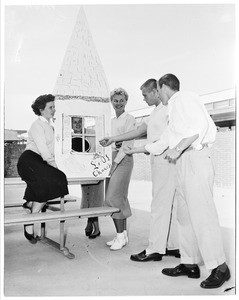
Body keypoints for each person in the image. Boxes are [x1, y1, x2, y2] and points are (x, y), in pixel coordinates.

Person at [125, 73, 230, 289]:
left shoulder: (184, 98)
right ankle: (189, 263)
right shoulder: (172, 109)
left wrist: (178, 148)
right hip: (183, 161)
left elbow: (198, 127)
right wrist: (136, 149)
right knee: (184, 216)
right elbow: (165, 140)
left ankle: (220, 267)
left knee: (202, 214)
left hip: (196, 159)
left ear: (163, 87)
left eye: (156, 90)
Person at [100, 79, 179, 260]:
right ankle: (169, 245)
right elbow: (137, 133)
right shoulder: (155, 113)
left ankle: (156, 249)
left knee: (162, 205)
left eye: (145, 95)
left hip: (166, 160)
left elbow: (163, 141)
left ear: (156, 91)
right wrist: (113, 138)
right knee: (163, 204)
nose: (143, 99)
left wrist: (136, 149)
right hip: (157, 160)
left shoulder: (168, 110)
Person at [17, 94, 69, 244]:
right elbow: (44, 151)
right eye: (50, 107)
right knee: (57, 178)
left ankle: (30, 213)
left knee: (47, 183)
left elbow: (53, 149)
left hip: (38, 162)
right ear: (41, 110)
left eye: (54, 107)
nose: (54, 110)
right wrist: (54, 166)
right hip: (29, 161)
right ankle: (31, 214)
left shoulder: (50, 126)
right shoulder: (37, 125)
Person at [101, 88, 136, 250]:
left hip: (124, 159)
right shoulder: (110, 121)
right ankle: (122, 235)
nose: (118, 103)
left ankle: (120, 236)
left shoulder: (129, 119)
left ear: (126, 101)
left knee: (113, 198)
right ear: (111, 102)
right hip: (112, 159)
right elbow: (109, 143)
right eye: (115, 100)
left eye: (121, 100)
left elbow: (127, 144)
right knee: (119, 197)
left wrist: (115, 162)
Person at [71, 116, 102, 239]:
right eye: (75, 122)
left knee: (94, 198)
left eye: (80, 122)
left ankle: (96, 227)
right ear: (71, 124)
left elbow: (98, 148)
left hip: (94, 169)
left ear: (83, 122)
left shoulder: (92, 133)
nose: (78, 124)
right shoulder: (70, 137)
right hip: (82, 170)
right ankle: (90, 223)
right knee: (87, 197)